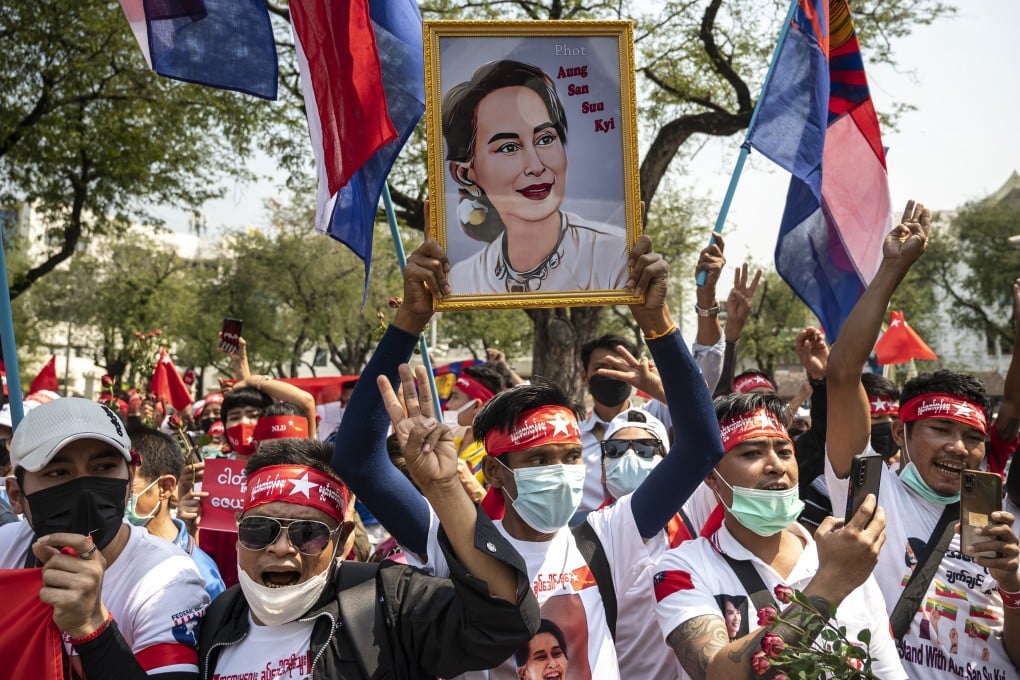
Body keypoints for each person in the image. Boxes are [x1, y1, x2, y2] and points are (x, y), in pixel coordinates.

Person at [333, 233, 725, 679]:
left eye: (571, 455)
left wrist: (659, 324)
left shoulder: (607, 537)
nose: (560, 472)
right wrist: (408, 320)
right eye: (539, 460)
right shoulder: (454, 541)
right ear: (495, 472)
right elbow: (357, 461)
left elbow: (700, 447)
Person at [825, 200, 1020, 678]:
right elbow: (843, 373)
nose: (959, 447)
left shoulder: (1002, 521)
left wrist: (1013, 586)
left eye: (972, 436)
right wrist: (893, 269)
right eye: (940, 429)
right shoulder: (869, 491)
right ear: (900, 434)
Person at [198, 433, 539, 679]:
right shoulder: (217, 620)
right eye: (261, 529)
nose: (282, 548)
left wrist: (446, 488)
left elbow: (503, 620)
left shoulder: (386, 601)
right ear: (238, 531)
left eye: (308, 534)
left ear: (342, 539)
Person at [653, 392, 905, 679]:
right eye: (752, 453)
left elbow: (887, 672)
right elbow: (715, 672)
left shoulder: (843, 558)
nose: (777, 466)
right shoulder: (682, 569)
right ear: (711, 475)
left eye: (785, 452)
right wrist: (831, 582)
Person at [0, 397, 209, 679]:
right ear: (15, 494)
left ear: (130, 478)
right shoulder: (5, 548)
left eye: (103, 467)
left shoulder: (165, 579)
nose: (85, 489)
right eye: (58, 472)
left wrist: (92, 628)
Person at [443, 59, 628, 294]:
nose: (536, 166)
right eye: (509, 147)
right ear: (466, 174)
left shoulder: (616, 255)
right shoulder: (462, 281)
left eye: (545, 139)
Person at [127, 425, 226, 601]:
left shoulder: (200, 573)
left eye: (127, 485)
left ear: (165, 487)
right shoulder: (108, 553)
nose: (113, 495)